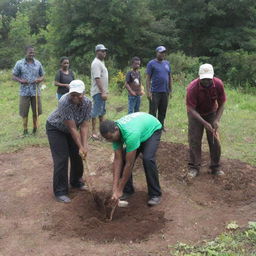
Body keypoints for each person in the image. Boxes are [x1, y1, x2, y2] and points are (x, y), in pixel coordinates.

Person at [100, 112, 162, 206]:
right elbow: (117, 160)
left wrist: (119, 189)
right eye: (108, 139)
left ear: (116, 129)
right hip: (139, 130)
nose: (110, 141)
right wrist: (115, 189)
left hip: (152, 129)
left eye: (111, 138)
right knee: (123, 157)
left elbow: (130, 164)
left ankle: (155, 194)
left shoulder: (131, 134)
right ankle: (127, 190)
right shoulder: (114, 132)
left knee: (147, 158)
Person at [46, 80, 92, 203]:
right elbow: (72, 128)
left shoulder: (88, 103)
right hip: (56, 128)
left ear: (84, 93)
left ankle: (76, 181)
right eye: (73, 94)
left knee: (78, 155)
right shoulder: (64, 101)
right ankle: (60, 191)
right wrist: (80, 146)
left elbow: (84, 126)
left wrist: (84, 146)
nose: (75, 97)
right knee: (61, 158)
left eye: (78, 94)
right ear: (69, 93)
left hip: (72, 130)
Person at [186, 64, 227, 178]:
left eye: (209, 79)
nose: (207, 82)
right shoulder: (192, 88)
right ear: (199, 77)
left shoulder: (218, 84)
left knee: (214, 139)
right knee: (194, 139)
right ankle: (194, 167)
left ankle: (215, 166)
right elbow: (191, 109)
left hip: (211, 112)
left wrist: (217, 120)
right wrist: (204, 123)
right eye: (204, 79)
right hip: (195, 114)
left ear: (212, 77)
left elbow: (222, 102)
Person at [12, 45, 44, 136]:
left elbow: (42, 75)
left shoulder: (38, 63)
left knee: (36, 111)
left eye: (33, 52)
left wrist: (39, 80)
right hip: (24, 92)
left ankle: (35, 129)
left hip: (36, 92)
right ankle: (25, 130)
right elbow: (14, 76)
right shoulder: (19, 63)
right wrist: (21, 80)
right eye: (30, 52)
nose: (32, 54)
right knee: (24, 111)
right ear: (26, 53)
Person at [146, 46, 172, 131]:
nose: (162, 54)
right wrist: (148, 91)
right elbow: (148, 78)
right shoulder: (151, 63)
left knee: (163, 110)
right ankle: (151, 127)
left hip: (165, 91)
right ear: (156, 53)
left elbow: (169, 76)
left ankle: (161, 126)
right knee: (153, 111)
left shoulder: (167, 63)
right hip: (155, 91)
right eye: (160, 52)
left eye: (164, 52)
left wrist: (170, 89)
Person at [90, 44, 109, 140]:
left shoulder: (101, 62)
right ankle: (93, 133)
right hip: (98, 92)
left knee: (102, 112)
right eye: (102, 51)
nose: (104, 52)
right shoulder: (96, 63)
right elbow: (97, 78)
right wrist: (102, 92)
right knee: (95, 112)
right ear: (97, 52)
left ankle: (102, 133)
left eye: (105, 51)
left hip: (102, 92)